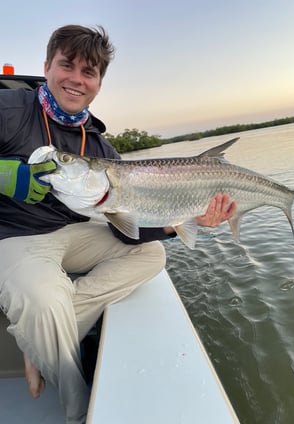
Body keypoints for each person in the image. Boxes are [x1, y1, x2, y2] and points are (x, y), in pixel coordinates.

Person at [0, 24, 236, 424]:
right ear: (46, 66)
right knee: (42, 300)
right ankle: (77, 411)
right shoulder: (10, 110)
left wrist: (180, 220)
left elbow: (122, 227)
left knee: (152, 255)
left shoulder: (100, 147)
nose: (76, 79)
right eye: (67, 65)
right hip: (19, 236)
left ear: (98, 83)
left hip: (79, 232)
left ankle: (39, 341)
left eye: (88, 72)